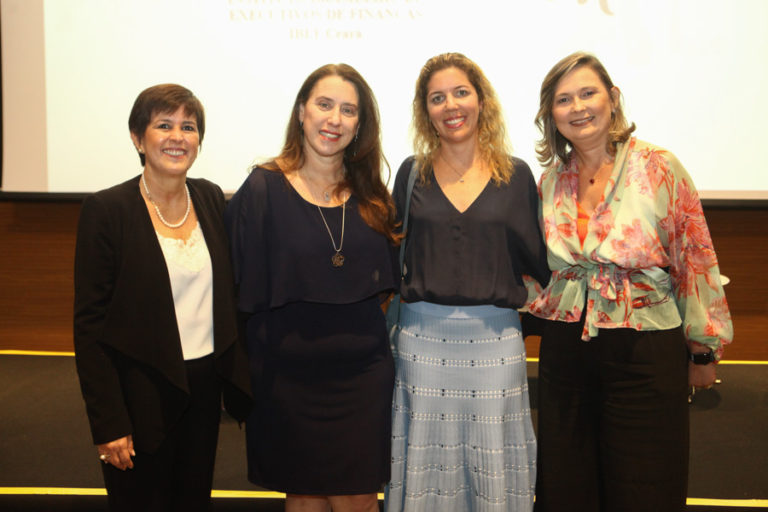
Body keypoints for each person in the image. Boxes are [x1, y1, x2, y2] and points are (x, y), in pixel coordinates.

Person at [528, 52, 733, 512]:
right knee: (568, 484)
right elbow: (537, 270)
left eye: (588, 93)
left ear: (613, 98)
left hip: (645, 350)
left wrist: (704, 348)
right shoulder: (550, 180)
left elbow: (694, 257)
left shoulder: (658, 166)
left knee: (645, 484)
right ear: (551, 114)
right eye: (563, 99)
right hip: (566, 352)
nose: (578, 107)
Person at [225, 63, 399, 512]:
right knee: (303, 499)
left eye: (348, 110)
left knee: (359, 500)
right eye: (324, 104)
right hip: (287, 378)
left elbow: (383, 287)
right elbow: (238, 286)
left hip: (361, 378)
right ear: (302, 111)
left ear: (359, 125)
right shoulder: (262, 189)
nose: (334, 119)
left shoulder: (373, 195)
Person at [73, 84, 253, 512]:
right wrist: (108, 422)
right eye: (164, 125)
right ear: (138, 138)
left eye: (188, 127)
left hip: (203, 390)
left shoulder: (210, 197)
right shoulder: (107, 211)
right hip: (139, 394)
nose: (178, 137)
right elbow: (90, 328)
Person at [384, 52, 550, 512]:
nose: (451, 105)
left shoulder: (516, 175)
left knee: (492, 469)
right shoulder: (411, 173)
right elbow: (391, 253)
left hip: (495, 347)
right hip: (421, 345)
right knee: (426, 469)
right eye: (437, 98)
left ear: (481, 100)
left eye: (461, 92)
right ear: (425, 111)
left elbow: (539, 263)